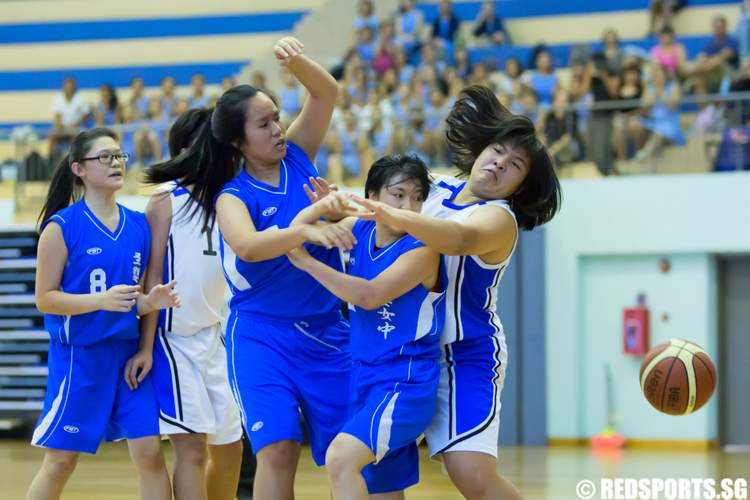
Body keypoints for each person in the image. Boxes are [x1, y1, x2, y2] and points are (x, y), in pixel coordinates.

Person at [148, 37, 351, 500]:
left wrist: (297, 60)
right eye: (265, 123)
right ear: (240, 140)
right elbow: (249, 246)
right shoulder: (233, 196)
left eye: (278, 117)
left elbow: (326, 94)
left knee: (349, 450)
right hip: (262, 337)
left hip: (324, 332)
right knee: (277, 449)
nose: (279, 128)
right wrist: (304, 227)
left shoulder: (299, 156)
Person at [349, 85, 561, 500]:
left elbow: (455, 239)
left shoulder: (500, 219)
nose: (500, 163)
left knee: (471, 474)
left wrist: (388, 211)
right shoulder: (433, 189)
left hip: (464, 355)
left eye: (515, 165)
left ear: (519, 185)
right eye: (498, 151)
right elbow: (381, 198)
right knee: (380, 464)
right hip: (404, 349)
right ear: (482, 149)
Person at [27, 127, 181, 500]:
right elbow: (45, 299)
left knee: (149, 454)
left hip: (128, 359)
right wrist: (98, 302)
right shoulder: (61, 227)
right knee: (61, 461)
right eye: (105, 157)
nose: (116, 163)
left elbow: (132, 300)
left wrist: (150, 302)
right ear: (79, 169)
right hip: (81, 358)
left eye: (119, 156)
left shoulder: (138, 225)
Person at [289, 155, 444, 499]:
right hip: (363, 378)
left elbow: (368, 295)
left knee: (340, 459)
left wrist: (307, 263)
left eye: (418, 198)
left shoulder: (424, 249)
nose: (409, 206)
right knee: (383, 491)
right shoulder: (360, 228)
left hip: (404, 383)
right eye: (399, 195)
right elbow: (293, 233)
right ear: (372, 197)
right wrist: (321, 209)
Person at [143, 109, 244, 500]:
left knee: (231, 447)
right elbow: (151, 278)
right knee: (192, 449)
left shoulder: (229, 200)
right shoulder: (165, 200)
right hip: (173, 340)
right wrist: (146, 347)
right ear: (191, 149)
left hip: (214, 337)